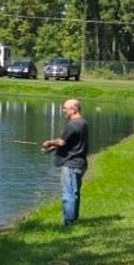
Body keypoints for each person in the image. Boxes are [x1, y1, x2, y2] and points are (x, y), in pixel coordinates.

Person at [41, 97, 90, 227]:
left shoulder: (73, 124)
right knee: (75, 192)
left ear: (73, 110)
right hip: (80, 163)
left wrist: (49, 142)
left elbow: (62, 141)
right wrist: (53, 149)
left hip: (71, 164)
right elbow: (71, 143)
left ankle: (69, 223)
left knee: (68, 194)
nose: (63, 111)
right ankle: (74, 220)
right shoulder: (83, 122)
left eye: (65, 109)